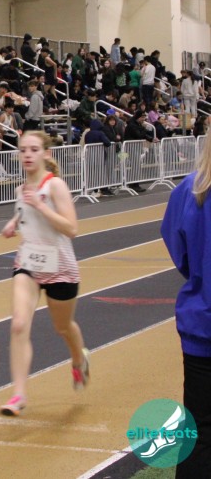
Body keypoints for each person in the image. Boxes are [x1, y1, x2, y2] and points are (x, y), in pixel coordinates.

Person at [0, 131, 88, 416]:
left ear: (46, 154)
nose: (27, 154)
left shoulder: (56, 186)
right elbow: (25, 211)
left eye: (34, 149)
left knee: (63, 327)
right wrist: (14, 222)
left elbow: (71, 228)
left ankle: (79, 358)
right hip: (28, 263)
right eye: (23, 149)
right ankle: (18, 394)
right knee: (18, 324)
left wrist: (39, 205)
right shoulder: (21, 189)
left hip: (60, 266)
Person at [161, 139, 211, 477]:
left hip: (200, 324)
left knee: (198, 432)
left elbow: (179, 252)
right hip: (199, 325)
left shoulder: (188, 191)